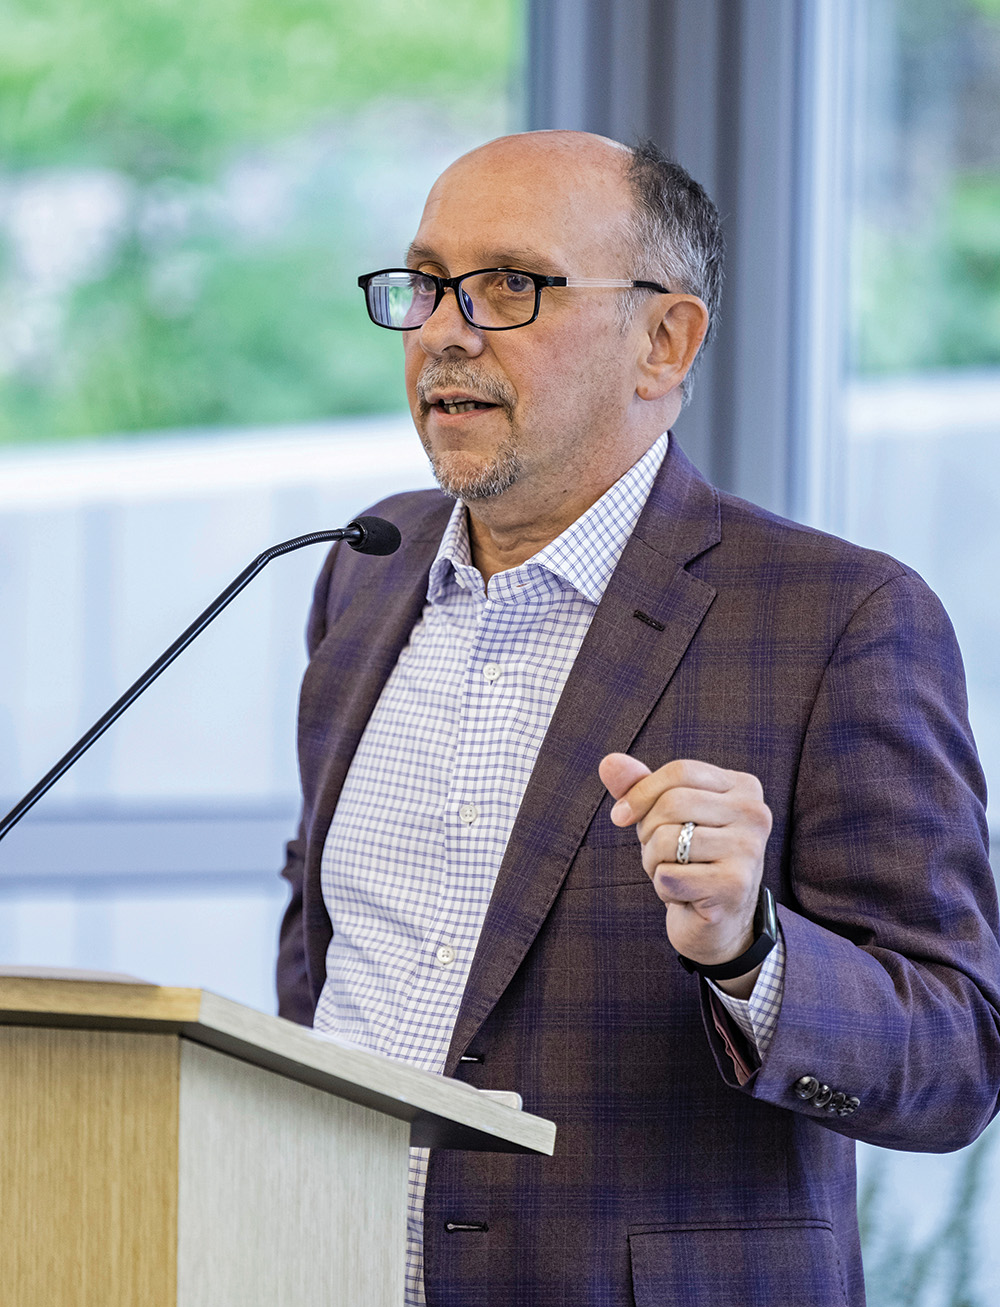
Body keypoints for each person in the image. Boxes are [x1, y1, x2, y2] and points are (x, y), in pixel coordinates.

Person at [277, 131, 1000, 1306]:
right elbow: (322, 928)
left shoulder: (841, 616)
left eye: (510, 285)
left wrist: (750, 947)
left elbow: (957, 1053)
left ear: (664, 340)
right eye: (425, 282)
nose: (445, 330)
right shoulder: (364, 568)